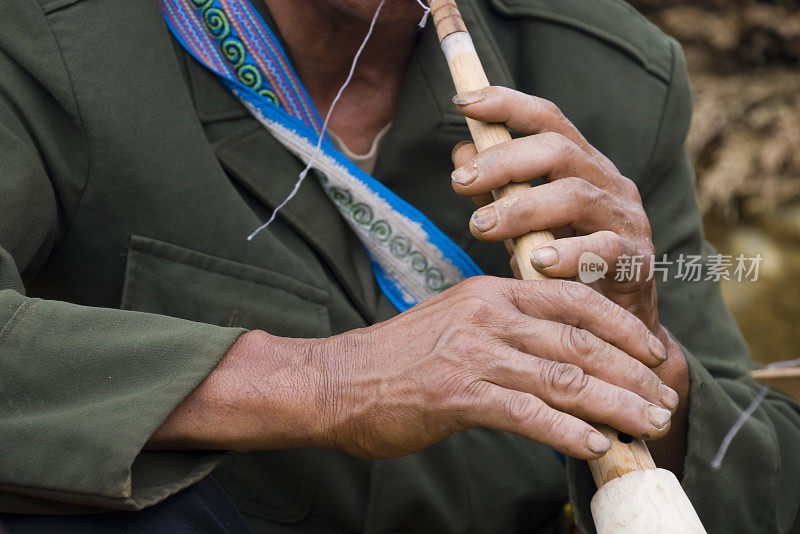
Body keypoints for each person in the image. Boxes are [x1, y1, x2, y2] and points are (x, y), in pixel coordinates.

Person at [0, 0, 797, 532]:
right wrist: (328, 383)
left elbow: (770, 467)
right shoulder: (50, 34)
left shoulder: (614, 73)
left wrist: (639, 352)